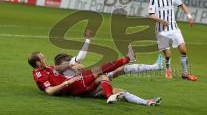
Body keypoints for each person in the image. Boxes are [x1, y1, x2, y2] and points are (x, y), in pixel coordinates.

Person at [28, 42, 160, 106]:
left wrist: (70, 65)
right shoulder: (40, 75)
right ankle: (128, 59)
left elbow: (57, 68)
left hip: (81, 85)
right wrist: (67, 82)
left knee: (114, 86)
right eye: (43, 58)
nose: (45, 59)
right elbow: (49, 91)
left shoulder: (48, 68)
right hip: (75, 86)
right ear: (38, 63)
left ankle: (146, 102)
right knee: (102, 69)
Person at [148, 0, 197, 81]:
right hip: (161, 31)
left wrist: (189, 16)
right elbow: (151, 15)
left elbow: (182, 5)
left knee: (183, 50)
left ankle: (185, 74)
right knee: (168, 54)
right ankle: (168, 70)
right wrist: (162, 21)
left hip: (174, 29)